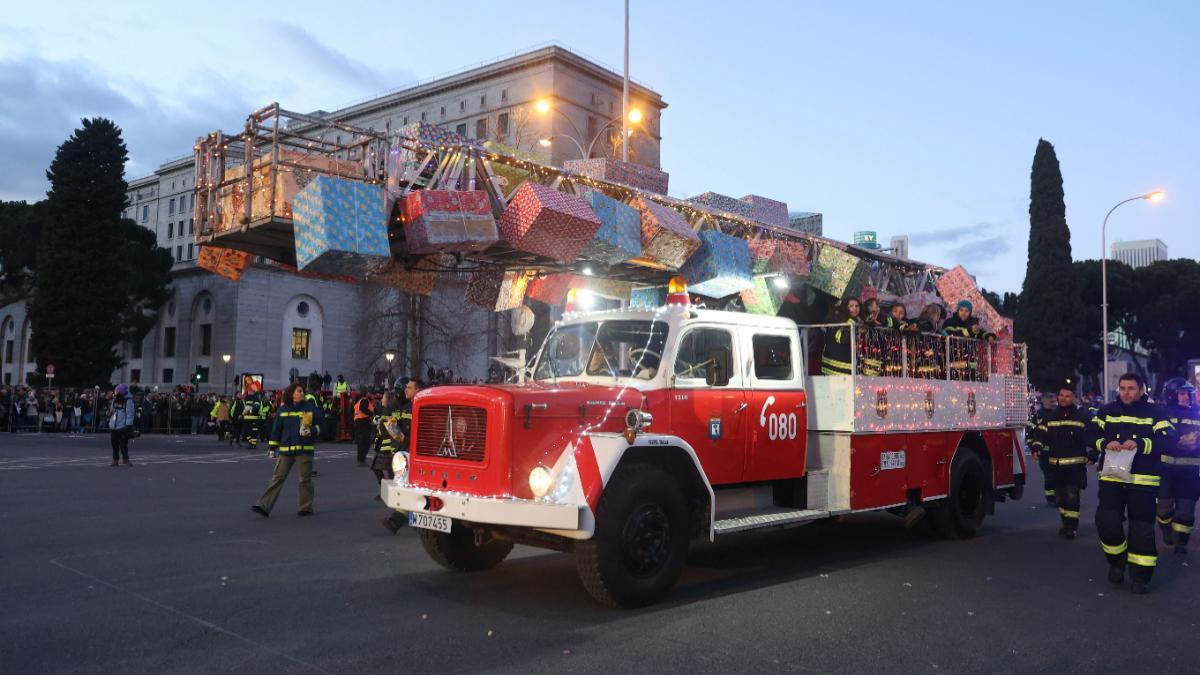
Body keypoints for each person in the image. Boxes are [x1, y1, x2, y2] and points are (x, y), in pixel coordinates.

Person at [1087, 372, 1176, 594]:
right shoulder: (1107, 411)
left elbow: (1169, 440)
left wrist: (1140, 443)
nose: (1126, 392)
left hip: (1143, 481)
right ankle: (1117, 561)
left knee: (1141, 529)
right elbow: (1089, 435)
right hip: (1112, 478)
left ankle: (1140, 577)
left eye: (1131, 388)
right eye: (1123, 388)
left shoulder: (1156, 412)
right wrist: (1105, 443)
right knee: (1106, 522)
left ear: (1141, 390)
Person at [251, 383, 324, 517]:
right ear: (291, 393)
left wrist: (312, 430)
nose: (302, 393)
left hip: (304, 450)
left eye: (302, 391)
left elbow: (321, 425)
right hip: (286, 451)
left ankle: (305, 507)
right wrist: (272, 448)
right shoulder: (282, 410)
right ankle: (263, 506)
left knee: (305, 480)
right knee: (277, 478)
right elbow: (276, 431)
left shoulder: (311, 408)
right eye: (299, 391)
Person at [1030, 383, 1092, 538]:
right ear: (1058, 397)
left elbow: (1092, 437)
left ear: (1074, 398)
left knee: (1072, 496)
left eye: (1068, 396)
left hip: (1074, 466)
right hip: (1056, 466)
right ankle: (1065, 524)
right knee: (1061, 498)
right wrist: (1036, 447)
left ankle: (1072, 527)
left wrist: (1094, 454)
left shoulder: (1082, 417)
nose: (1064, 399)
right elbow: (1040, 435)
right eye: (1062, 395)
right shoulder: (1050, 417)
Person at [1156, 379, 1200, 554]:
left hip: (1190, 472)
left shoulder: (1198, 413)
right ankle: (1166, 529)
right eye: (1182, 393)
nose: (1186, 397)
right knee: (1163, 509)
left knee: (1186, 510)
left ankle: (1181, 541)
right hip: (1165, 471)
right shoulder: (1163, 414)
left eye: (1188, 393)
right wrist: (1176, 441)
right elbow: (1157, 438)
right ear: (1172, 395)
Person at [381, 378, 423, 534]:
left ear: (418, 390)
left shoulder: (422, 408)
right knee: (405, 486)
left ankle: (398, 520)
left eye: (409, 388)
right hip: (403, 453)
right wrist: (392, 429)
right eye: (405, 388)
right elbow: (393, 426)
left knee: (410, 486)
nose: (406, 390)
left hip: (416, 454)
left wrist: (407, 440)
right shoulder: (406, 408)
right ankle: (405, 519)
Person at [821, 298, 861, 376]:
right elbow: (842, 339)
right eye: (851, 306)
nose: (855, 308)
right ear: (845, 307)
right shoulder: (843, 320)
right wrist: (852, 322)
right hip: (840, 368)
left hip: (831, 365)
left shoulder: (838, 317)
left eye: (857, 306)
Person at [109, 384, 137, 467]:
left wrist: (128, 426)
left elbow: (130, 414)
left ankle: (125, 459)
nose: (115, 393)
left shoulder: (128, 401)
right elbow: (112, 410)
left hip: (122, 425)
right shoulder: (115, 400)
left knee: (123, 444)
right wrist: (110, 413)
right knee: (114, 444)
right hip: (113, 425)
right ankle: (115, 460)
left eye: (117, 392)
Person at [353, 391, 376, 466]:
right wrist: (371, 414)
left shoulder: (360, 400)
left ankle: (361, 460)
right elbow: (363, 409)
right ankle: (362, 460)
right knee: (366, 442)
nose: (373, 396)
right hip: (363, 423)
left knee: (361, 443)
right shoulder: (364, 400)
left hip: (359, 423)